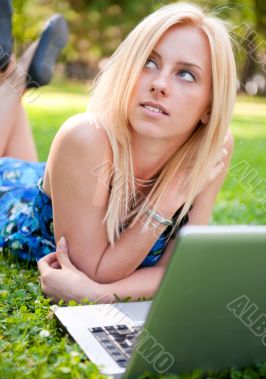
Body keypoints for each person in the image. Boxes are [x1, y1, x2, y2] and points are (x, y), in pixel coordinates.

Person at [0, 1, 236, 303]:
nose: (160, 84)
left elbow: (179, 269)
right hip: (11, 202)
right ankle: (14, 76)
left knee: (23, 162)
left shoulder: (213, 147)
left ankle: (12, 74)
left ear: (210, 106)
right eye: (149, 62)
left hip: (69, 184)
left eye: (186, 75)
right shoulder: (84, 137)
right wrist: (167, 200)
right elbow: (95, 271)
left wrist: (101, 295)